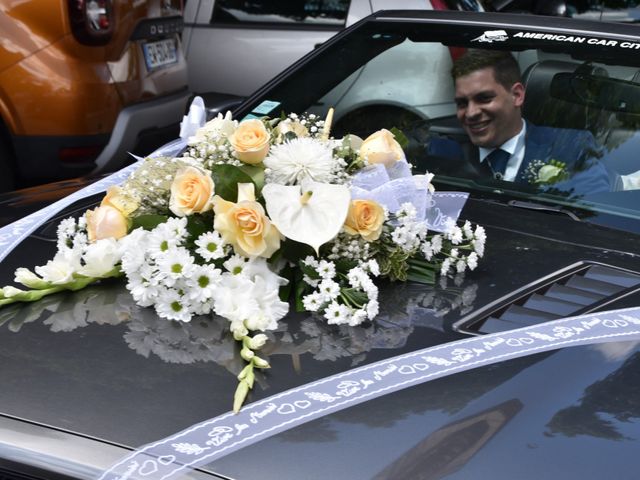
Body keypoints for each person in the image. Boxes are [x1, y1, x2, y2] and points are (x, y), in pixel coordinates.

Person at [428, 49, 617, 196]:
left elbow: (594, 217)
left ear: (517, 95)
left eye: (484, 98)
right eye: (462, 103)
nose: (470, 113)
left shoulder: (571, 148)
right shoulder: (441, 152)